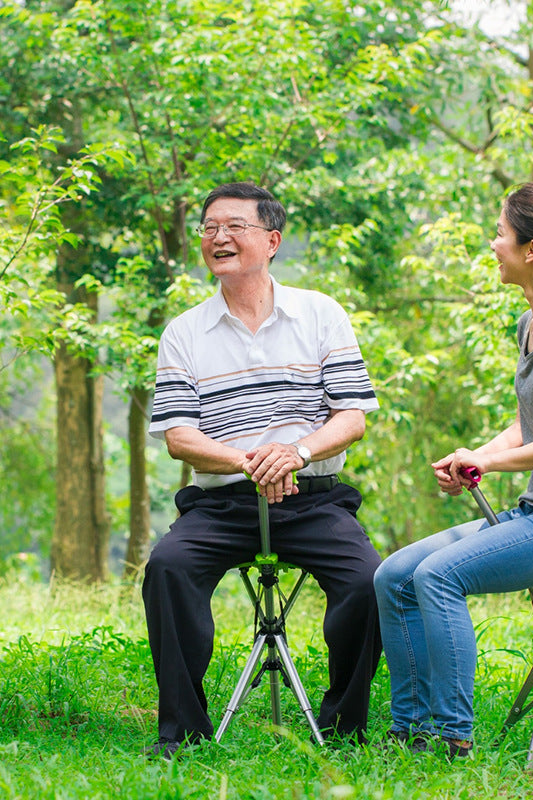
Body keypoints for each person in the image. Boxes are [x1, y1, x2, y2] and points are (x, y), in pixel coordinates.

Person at [373, 181, 533, 759]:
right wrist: (475, 454)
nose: (493, 245)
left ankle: (450, 734)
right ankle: (408, 729)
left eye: (500, 234)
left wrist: (488, 460)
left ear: (531, 249)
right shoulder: (530, 324)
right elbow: (529, 425)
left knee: (439, 577)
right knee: (394, 575)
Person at [142, 181, 382, 758]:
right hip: (222, 503)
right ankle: (184, 735)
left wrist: (295, 453)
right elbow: (180, 438)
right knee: (167, 568)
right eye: (208, 228)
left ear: (271, 240)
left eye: (234, 226)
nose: (218, 237)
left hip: (314, 498)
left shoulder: (321, 313)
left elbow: (352, 418)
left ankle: (345, 729)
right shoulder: (183, 332)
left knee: (367, 581)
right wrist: (253, 462)